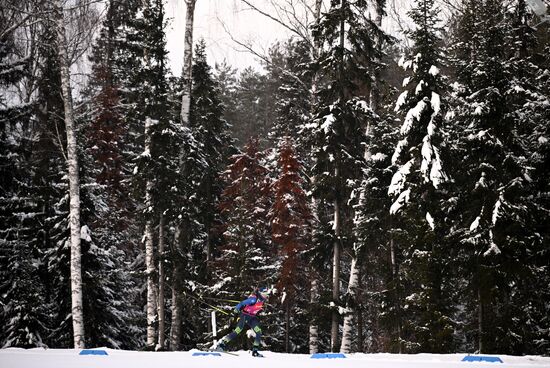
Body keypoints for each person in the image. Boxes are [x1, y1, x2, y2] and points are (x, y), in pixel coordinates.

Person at [215, 287, 270, 357]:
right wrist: (236, 310)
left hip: (252, 318)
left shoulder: (262, 300)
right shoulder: (253, 299)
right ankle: (221, 344)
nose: (266, 295)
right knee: (237, 331)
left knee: (258, 332)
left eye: (266, 294)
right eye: (264, 294)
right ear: (260, 293)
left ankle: (255, 351)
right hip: (244, 315)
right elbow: (241, 304)